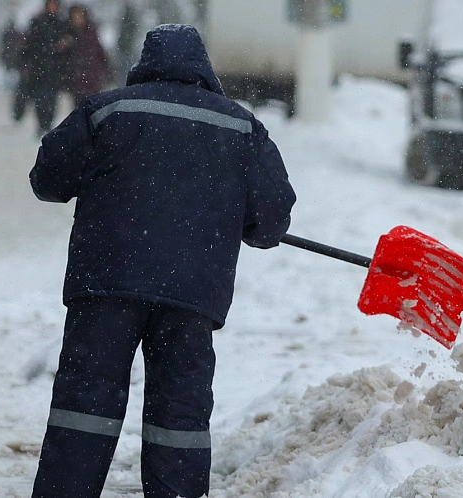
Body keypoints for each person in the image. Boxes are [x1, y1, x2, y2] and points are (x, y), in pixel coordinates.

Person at [28, 23, 296, 498]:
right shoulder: (240, 126)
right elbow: (273, 219)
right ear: (203, 69)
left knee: (84, 409)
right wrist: (245, 219)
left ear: (145, 63)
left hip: (106, 285)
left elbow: (47, 178)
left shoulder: (107, 110)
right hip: (191, 296)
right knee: (179, 418)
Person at [20, 0, 70, 135]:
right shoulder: (38, 22)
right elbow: (30, 45)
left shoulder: (62, 23)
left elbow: (68, 45)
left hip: (55, 69)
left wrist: (62, 47)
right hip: (39, 68)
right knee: (40, 99)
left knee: (52, 99)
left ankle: (48, 124)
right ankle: (41, 124)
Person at [63, 4, 112, 105]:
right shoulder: (68, 32)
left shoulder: (91, 32)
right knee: (79, 108)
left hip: (92, 78)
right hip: (76, 79)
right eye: (75, 16)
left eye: (79, 15)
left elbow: (99, 52)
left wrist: (108, 71)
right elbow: (64, 58)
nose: (77, 19)